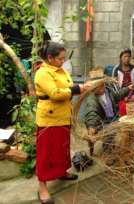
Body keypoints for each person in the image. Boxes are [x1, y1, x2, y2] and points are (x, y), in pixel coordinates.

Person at [35, 41, 89, 204]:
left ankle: (61, 172)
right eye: (60, 59)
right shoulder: (43, 73)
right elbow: (55, 94)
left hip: (63, 116)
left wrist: (78, 87)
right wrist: (77, 89)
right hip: (49, 120)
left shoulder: (60, 70)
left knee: (62, 148)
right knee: (46, 153)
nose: (63, 61)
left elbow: (68, 85)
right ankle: (42, 186)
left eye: (64, 58)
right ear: (49, 58)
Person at [84, 67, 134, 156]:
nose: (102, 86)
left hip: (114, 118)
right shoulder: (92, 99)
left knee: (129, 127)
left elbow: (117, 95)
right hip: (102, 123)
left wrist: (128, 88)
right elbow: (92, 112)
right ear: (93, 87)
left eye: (102, 84)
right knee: (110, 134)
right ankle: (108, 154)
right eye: (99, 85)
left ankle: (124, 149)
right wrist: (91, 127)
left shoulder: (108, 91)